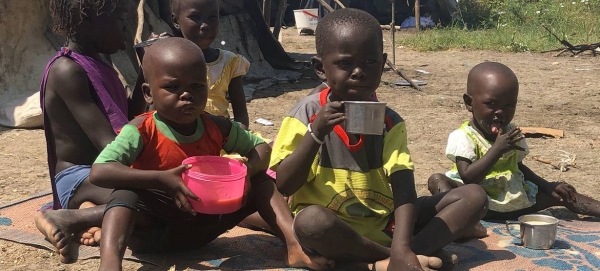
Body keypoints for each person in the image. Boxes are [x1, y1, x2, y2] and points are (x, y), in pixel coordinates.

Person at [269, 8, 489, 271]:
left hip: (386, 223)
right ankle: (396, 258)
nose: (359, 72)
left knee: (474, 197)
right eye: (345, 63)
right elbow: (285, 184)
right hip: (334, 229)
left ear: (383, 64)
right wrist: (316, 134)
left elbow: (403, 186)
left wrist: (401, 244)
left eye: (370, 63)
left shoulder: (389, 121)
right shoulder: (305, 113)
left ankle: (395, 256)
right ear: (320, 68)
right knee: (311, 223)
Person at [88, 37, 333, 271]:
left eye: (197, 86)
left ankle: (295, 246)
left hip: (203, 228)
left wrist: (247, 173)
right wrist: (160, 179)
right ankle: (110, 263)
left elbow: (262, 148)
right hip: (152, 233)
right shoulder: (140, 130)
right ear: (148, 93)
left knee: (262, 181)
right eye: (173, 86)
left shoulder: (217, 126)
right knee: (125, 193)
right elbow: (100, 172)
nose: (187, 94)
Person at [34, 0, 146, 263]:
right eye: (119, 19)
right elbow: (111, 144)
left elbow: (126, 117)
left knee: (155, 194)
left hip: (103, 175)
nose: (125, 26)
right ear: (89, 20)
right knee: (158, 198)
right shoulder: (68, 71)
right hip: (79, 176)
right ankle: (64, 215)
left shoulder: (100, 65)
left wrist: (146, 71)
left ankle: (89, 214)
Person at [428, 62, 600, 220]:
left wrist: (548, 186)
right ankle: (458, 222)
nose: (501, 112)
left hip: (515, 200)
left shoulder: (511, 132)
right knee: (437, 180)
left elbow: (519, 167)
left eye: (509, 106)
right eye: (491, 104)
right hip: (477, 204)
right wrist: (496, 150)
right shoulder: (463, 136)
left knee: (562, 192)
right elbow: (468, 177)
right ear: (469, 103)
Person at [171, 0, 250, 129]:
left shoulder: (229, 63)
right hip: (181, 142)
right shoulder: (169, 63)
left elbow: (241, 115)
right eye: (195, 17)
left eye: (212, 17)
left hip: (220, 141)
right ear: (176, 21)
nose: (205, 25)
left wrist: (239, 139)